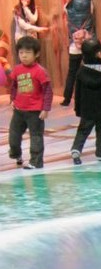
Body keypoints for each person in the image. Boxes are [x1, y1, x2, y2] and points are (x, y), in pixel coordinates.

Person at [8, 36, 52, 170]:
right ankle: (16, 154)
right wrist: (12, 99)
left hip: (35, 111)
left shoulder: (40, 71)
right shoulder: (17, 69)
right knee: (13, 136)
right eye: (21, 52)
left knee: (36, 137)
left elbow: (48, 91)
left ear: (36, 54)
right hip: (19, 110)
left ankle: (36, 161)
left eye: (27, 53)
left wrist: (45, 108)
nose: (24, 56)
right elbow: (14, 86)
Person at [60, 0, 96, 107]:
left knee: (72, 73)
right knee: (90, 71)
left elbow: (67, 18)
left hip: (74, 45)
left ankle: (67, 99)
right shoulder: (90, 3)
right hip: (88, 44)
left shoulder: (67, 6)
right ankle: (91, 97)